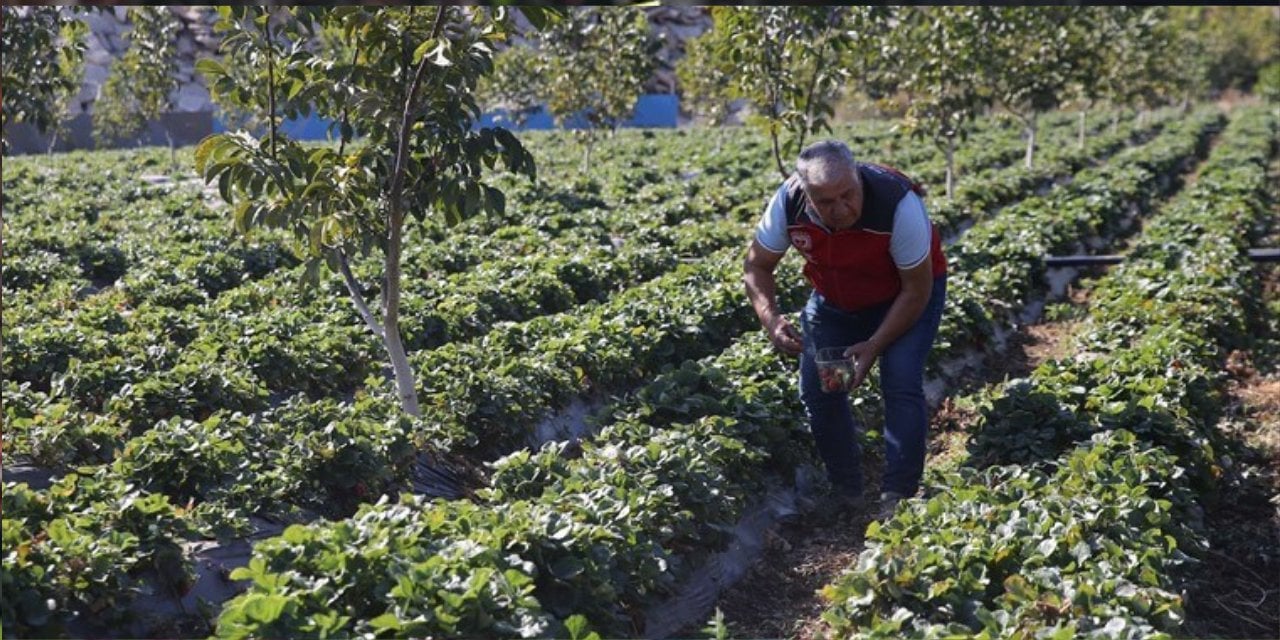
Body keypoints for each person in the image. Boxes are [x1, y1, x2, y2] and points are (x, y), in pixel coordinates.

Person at [743, 139, 947, 520]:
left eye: (848, 195)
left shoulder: (898, 205)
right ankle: (846, 489)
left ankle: (898, 495)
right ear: (806, 195)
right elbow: (757, 266)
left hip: (904, 297)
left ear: (858, 176)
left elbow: (916, 290)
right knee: (824, 388)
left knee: (900, 381)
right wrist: (770, 319)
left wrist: (874, 344)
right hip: (836, 301)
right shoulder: (787, 205)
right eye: (826, 202)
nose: (841, 209)